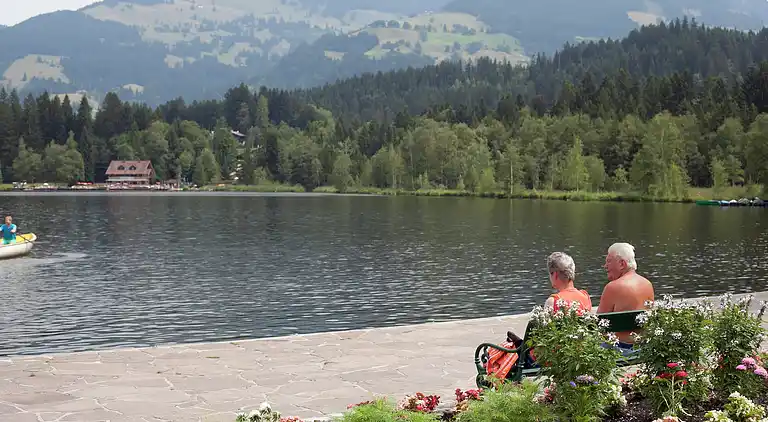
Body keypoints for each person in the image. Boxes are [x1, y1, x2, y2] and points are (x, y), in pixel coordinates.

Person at [485, 252, 592, 381]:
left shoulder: (554, 301)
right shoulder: (585, 296)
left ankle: (496, 380)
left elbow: (543, 337)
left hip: (553, 358)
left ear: (555, 274)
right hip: (578, 353)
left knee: (503, 351)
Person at [597, 242, 654, 351]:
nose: (605, 266)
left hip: (620, 348)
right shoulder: (648, 284)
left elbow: (599, 324)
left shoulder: (612, 288)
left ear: (622, 264)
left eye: (608, 261)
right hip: (643, 347)